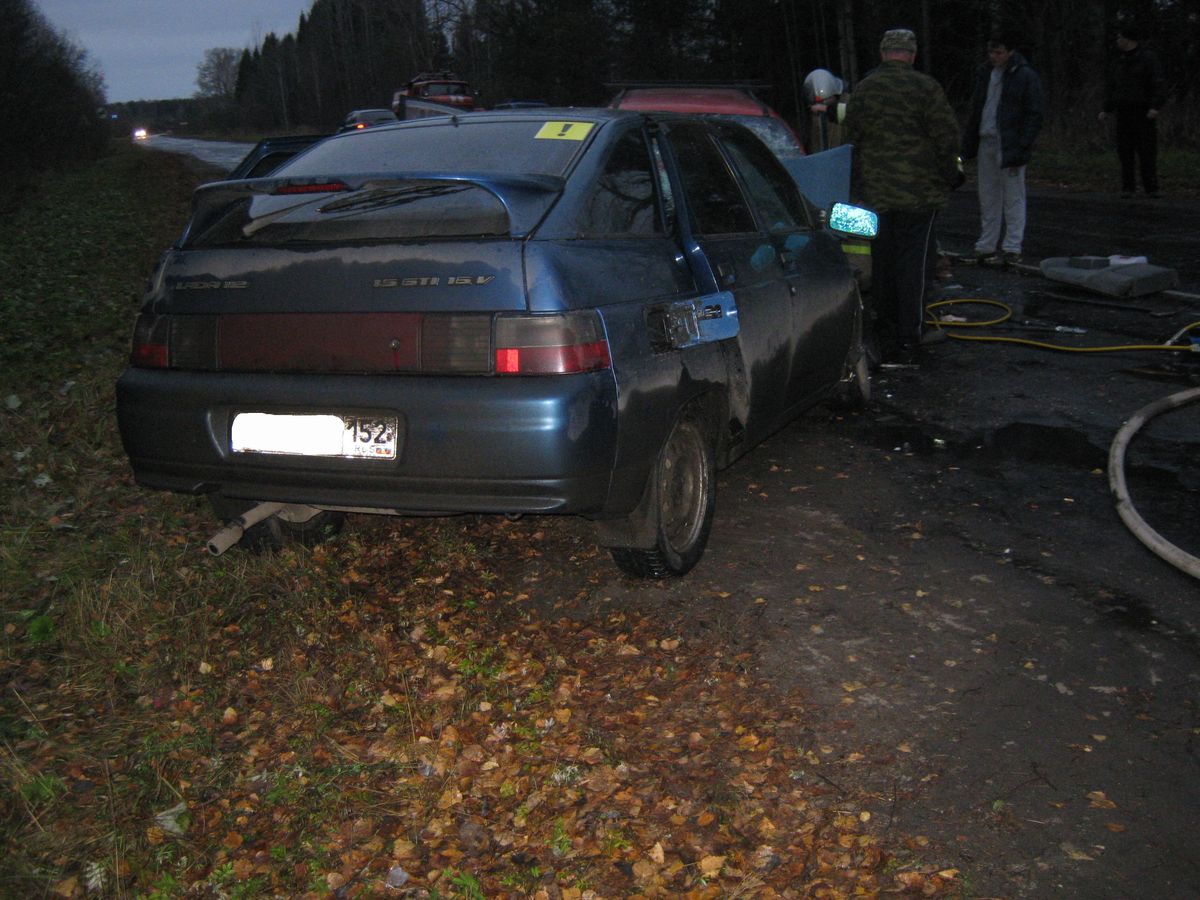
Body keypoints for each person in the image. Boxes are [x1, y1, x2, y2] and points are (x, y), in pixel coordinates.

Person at [841, 28, 961, 365]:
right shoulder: (926, 88)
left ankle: (886, 326)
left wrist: (858, 187)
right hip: (919, 196)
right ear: (911, 54)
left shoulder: (864, 90)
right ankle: (913, 331)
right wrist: (950, 176)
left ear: (882, 54)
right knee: (915, 263)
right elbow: (947, 137)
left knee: (883, 261)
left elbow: (850, 138)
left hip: (877, 194)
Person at [961, 31, 1044, 266]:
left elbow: (1035, 113)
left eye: (998, 52)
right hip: (986, 139)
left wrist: (1023, 144)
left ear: (1010, 52)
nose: (994, 56)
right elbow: (977, 111)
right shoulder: (985, 73)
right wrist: (968, 146)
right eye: (991, 52)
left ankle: (1012, 246)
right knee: (988, 196)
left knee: (1013, 197)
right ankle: (987, 245)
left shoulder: (1025, 76)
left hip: (1009, 143)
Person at [1099, 24, 1166, 198]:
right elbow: (1114, 87)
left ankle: (1151, 187)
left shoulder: (1148, 59)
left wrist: (1155, 106)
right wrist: (1107, 108)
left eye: (1120, 38)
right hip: (1124, 111)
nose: (1117, 41)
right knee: (1125, 151)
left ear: (1127, 39)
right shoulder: (1119, 62)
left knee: (1146, 151)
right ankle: (1128, 186)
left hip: (1143, 111)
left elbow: (1158, 83)